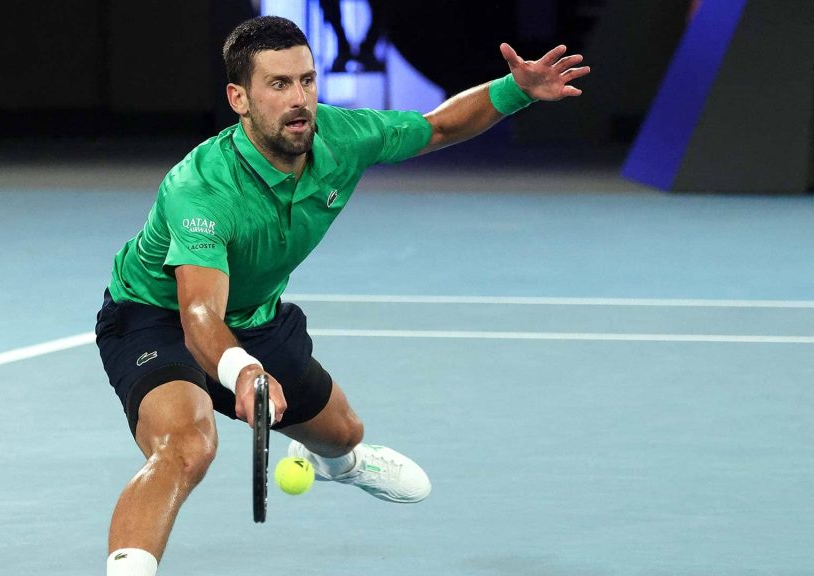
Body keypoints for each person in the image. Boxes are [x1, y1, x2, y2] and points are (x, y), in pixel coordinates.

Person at [96, 15, 589, 576]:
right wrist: (244, 371)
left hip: (254, 317)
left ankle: (340, 465)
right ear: (239, 99)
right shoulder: (202, 186)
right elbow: (199, 313)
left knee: (344, 435)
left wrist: (515, 90)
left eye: (306, 80)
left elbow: (437, 128)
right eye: (278, 84)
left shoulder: (342, 136)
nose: (299, 98)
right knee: (187, 446)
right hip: (154, 318)